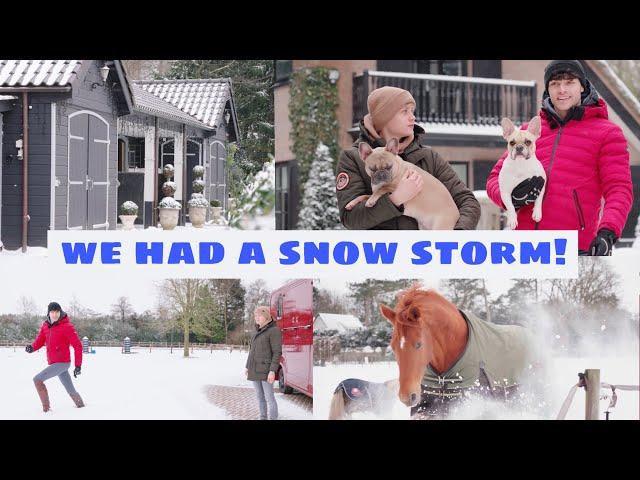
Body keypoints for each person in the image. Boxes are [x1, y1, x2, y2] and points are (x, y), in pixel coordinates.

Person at [486, 60, 633, 255]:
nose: (561, 89)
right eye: (555, 83)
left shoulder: (607, 133)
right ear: (548, 89)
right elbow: (494, 179)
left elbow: (619, 189)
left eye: (569, 82)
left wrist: (607, 231)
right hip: (523, 247)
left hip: (573, 248)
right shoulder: (526, 134)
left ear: (582, 86)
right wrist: (511, 199)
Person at [335, 86, 481, 230]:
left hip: (427, 249)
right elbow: (351, 219)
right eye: (404, 112)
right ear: (385, 116)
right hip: (380, 251)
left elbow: (467, 201)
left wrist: (457, 236)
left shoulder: (428, 157)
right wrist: (395, 199)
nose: (413, 117)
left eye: (412, 111)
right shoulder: (353, 157)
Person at [25, 302, 84, 412]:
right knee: (70, 388)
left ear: (60, 312)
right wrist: (32, 348)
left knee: (37, 379)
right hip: (54, 363)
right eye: (52, 312)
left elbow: (78, 346)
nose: (55, 314)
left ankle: (46, 410)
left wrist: (78, 365)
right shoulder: (45, 326)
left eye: (57, 312)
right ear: (49, 313)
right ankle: (81, 405)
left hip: (63, 363)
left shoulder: (67, 327)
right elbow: (40, 340)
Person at [245, 306, 282, 420]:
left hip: (266, 370)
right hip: (254, 369)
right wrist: (247, 366)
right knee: (259, 397)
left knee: (269, 398)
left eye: (259, 315)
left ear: (266, 316)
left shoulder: (274, 330)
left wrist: (272, 371)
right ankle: (262, 417)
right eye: (255, 316)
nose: (256, 318)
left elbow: (277, 352)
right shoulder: (256, 330)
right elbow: (252, 351)